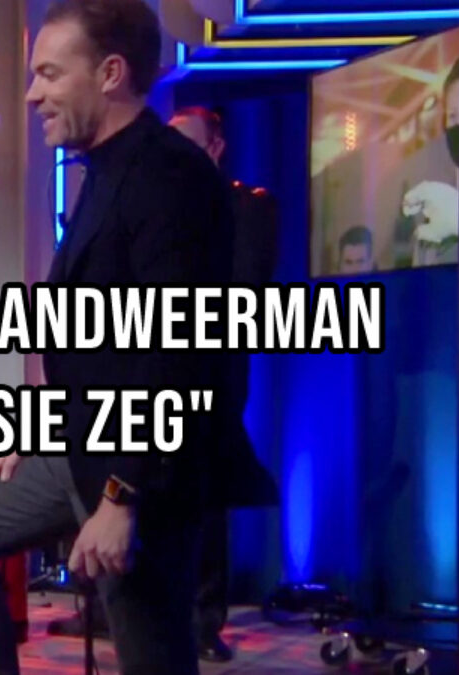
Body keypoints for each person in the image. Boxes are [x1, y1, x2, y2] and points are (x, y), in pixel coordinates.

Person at [0, 2, 234, 674]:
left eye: (48, 74)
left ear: (110, 73)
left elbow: (178, 356)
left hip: (145, 474)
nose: (31, 94)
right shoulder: (103, 170)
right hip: (80, 448)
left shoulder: (170, 177)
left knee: (153, 661)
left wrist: (122, 496)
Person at [169, 105, 281, 663]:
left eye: (186, 142)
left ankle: (202, 621)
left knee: (205, 494)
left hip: (213, 369)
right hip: (150, 365)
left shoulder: (247, 206)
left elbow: (247, 287)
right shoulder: (154, 205)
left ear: (215, 147)